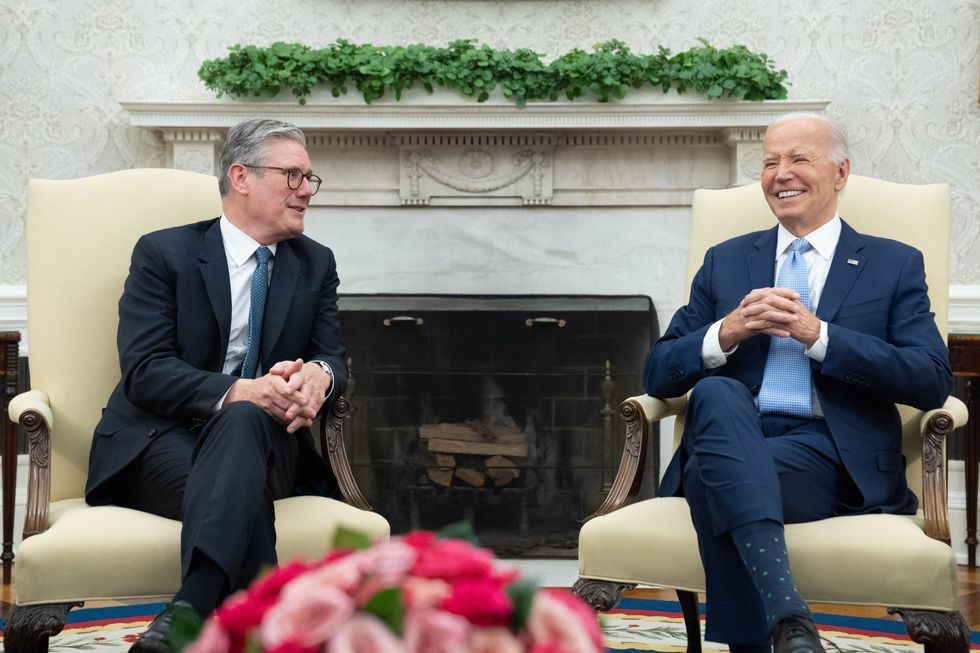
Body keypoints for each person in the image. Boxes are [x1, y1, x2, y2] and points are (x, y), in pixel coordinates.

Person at [644, 113, 951, 653]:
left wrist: (820, 336)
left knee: (711, 477)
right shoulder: (726, 261)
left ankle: (769, 631)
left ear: (840, 173)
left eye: (798, 158)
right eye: (769, 162)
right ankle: (789, 621)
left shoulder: (892, 264)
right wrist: (725, 333)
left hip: (831, 454)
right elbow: (657, 372)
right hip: (732, 433)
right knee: (715, 392)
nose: (780, 173)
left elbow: (930, 379)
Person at [84, 118, 347, 653]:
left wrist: (319, 377)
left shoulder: (315, 263)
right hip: (158, 441)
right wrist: (242, 391)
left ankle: (189, 610)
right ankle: (260, 630)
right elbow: (145, 370)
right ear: (241, 177)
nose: (306, 190)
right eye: (293, 175)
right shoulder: (165, 254)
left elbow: (331, 357)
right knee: (241, 477)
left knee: (246, 424)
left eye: (309, 178)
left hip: (268, 444)